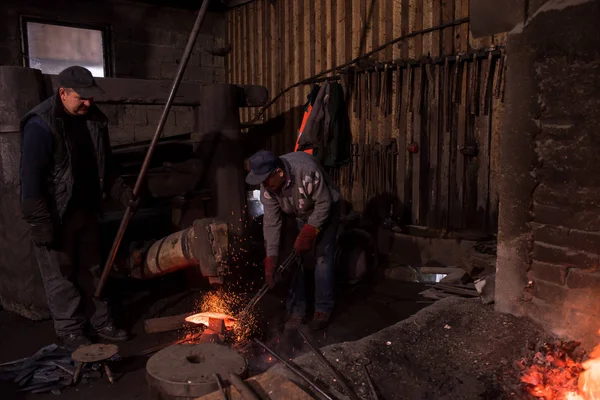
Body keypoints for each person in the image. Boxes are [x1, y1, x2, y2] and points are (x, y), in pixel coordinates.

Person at [20, 66, 137, 350]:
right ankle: (71, 329)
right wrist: (39, 222)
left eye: (91, 97)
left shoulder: (95, 120)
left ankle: (100, 321)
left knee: (93, 269)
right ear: (63, 93)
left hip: (86, 210)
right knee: (61, 276)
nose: (88, 103)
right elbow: (30, 179)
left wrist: (123, 193)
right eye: (82, 98)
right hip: (56, 215)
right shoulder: (40, 125)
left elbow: (106, 167)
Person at [246, 150, 340, 331]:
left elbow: (324, 204)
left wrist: (309, 231)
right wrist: (271, 257)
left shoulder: (307, 172)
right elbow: (272, 223)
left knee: (322, 258)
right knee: (294, 260)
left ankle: (322, 309)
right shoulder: (269, 188)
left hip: (325, 208)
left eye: (266, 179)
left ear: (279, 172)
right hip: (299, 212)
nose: (263, 185)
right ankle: (298, 310)